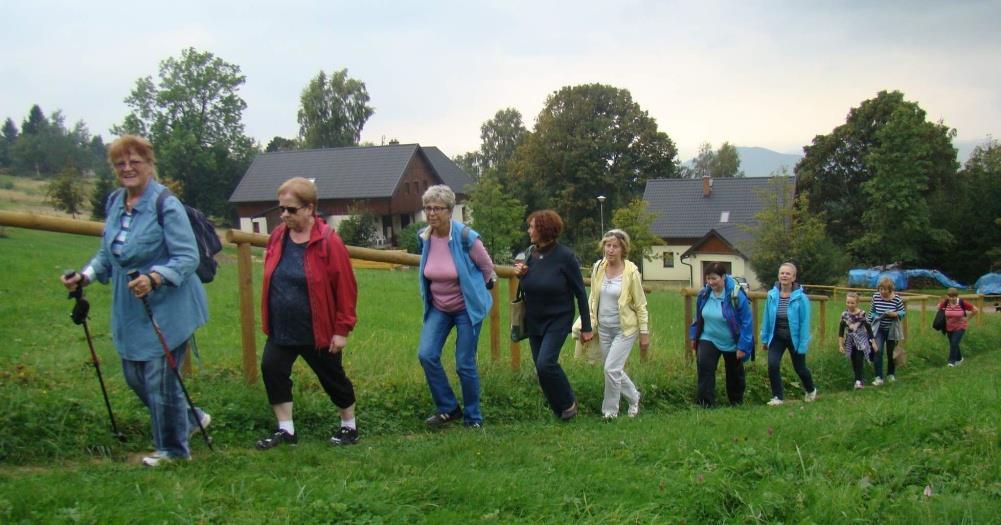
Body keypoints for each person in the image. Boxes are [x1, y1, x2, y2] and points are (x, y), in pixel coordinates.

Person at [60, 135, 210, 467]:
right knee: (134, 376)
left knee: (160, 379)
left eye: (134, 162)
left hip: (169, 302)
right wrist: (84, 276)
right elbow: (107, 254)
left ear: (149, 164)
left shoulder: (165, 204)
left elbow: (188, 257)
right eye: (120, 163)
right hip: (130, 305)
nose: (127, 168)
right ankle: (190, 419)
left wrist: (155, 277)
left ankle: (173, 451)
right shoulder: (115, 202)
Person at [255, 177, 360, 450]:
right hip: (282, 326)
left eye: (291, 209)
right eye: (282, 209)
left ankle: (349, 426)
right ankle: (286, 430)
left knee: (332, 377)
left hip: (318, 328)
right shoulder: (278, 236)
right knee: (272, 368)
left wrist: (342, 329)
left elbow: (346, 288)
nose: (284, 215)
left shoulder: (328, 242)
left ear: (309, 208)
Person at [416, 185, 495, 429]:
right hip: (439, 307)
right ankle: (448, 408)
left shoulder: (466, 237)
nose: (431, 213)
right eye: (428, 208)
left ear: (450, 211)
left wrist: (474, 291)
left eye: (437, 208)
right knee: (426, 354)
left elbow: (487, 269)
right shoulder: (424, 237)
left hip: (466, 309)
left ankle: (473, 417)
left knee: (464, 363)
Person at [513, 210, 593, 420]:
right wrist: (522, 275)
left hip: (558, 318)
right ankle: (560, 412)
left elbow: (580, 293)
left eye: (532, 227)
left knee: (545, 364)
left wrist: (586, 326)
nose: (529, 230)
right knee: (541, 370)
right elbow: (532, 283)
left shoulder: (565, 257)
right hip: (534, 319)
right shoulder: (531, 254)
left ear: (544, 229)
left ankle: (569, 403)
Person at [588, 230, 649, 418]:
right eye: (608, 245)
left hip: (625, 329)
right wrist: (590, 322)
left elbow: (640, 304)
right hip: (604, 328)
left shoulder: (631, 272)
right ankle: (634, 397)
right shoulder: (598, 267)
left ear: (623, 249)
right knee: (612, 370)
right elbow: (593, 297)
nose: (611, 250)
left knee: (611, 369)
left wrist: (644, 332)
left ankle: (609, 413)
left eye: (615, 246)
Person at [689, 263, 753, 407]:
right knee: (705, 368)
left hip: (732, 340)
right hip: (708, 337)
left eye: (714, 278)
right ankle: (705, 404)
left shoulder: (736, 295)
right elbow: (697, 317)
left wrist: (743, 346)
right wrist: (694, 336)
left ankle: (736, 402)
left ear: (723, 277)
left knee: (734, 374)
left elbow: (746, 322)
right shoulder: (704, 294)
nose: (710, 282)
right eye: (708, 279)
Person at [759, 262, 817, 405]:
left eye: (788, 273)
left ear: (794, 277)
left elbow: (804, 322)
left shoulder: (801, 298)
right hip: (777, 336)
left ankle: (811, 390)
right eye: (782, 273)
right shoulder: (772, 295)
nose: (784, 276)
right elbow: (767, 317)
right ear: (778, 276)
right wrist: (765, 338)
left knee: (800, 368)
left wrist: (803, 344)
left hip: (794, 338)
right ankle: (777, 397)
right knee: (773, 365)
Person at [868, 277, 906, 385]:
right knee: (878, 350)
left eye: (885, 290)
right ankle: (878, 377)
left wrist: (895, 314)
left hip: (892, 329)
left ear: (890, 290)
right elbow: (871, 312)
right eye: (881, 289)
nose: (882, 292)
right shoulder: (875, 297)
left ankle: (891, 374)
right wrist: (867, 325)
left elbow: (902, 312)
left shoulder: (897, 299)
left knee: (891, 353)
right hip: (879, 328)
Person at [838, 292, 877, 389]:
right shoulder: (844, 315)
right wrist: (840, 345)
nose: (850, 305)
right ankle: (858, 379)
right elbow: (841, 332)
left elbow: (868, 328)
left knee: (859, 359)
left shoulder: (862, 314)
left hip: (861, 340)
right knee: (853, 360)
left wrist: (873, 342)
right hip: (850, 341)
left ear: (857, 303)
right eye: (848, 302)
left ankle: (858, 381)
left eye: (852, 303)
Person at [939, 287, 978, 367]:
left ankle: (951, 362)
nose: (952, 298)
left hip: (960, 326)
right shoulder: (946, 303)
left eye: (954, 296)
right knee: (954, 343)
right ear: (947, 296)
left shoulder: (961, 302)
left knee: (954, 343)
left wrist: (967, 319)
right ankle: (960, 359)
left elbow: (975, 310)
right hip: (949, 327)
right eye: (950, 296)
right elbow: (940, 309)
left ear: (957, 296)